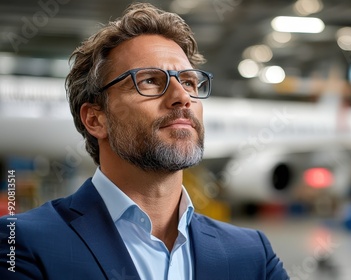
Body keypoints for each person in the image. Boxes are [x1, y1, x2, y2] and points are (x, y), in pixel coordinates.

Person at [0, 3, 289, 280]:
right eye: (149, 80)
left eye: (189, 81)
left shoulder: (252, 255)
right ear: (95, 119)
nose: (183, 97)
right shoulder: (21, 244)